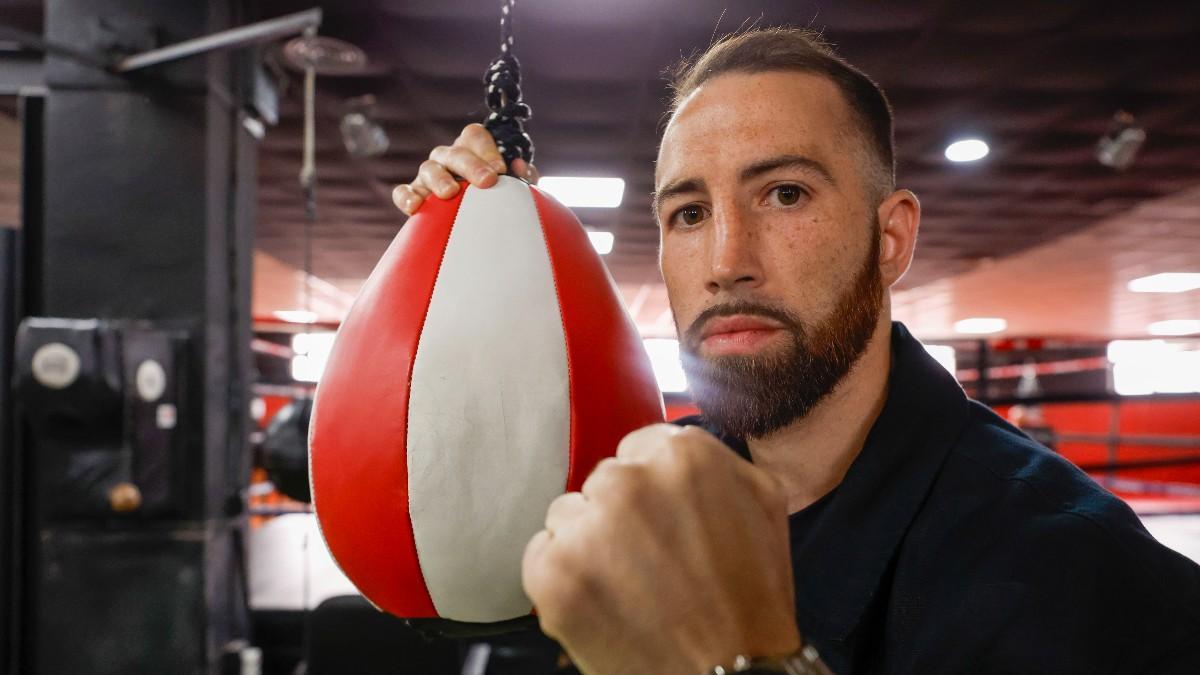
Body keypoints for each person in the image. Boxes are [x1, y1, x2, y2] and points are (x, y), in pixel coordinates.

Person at [392, 27, 1200, 675]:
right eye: (689, 213)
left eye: (785, 194)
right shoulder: (652, 484)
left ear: (891, 238)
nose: (726, 261)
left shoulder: (1083, 579)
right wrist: (473, 239)